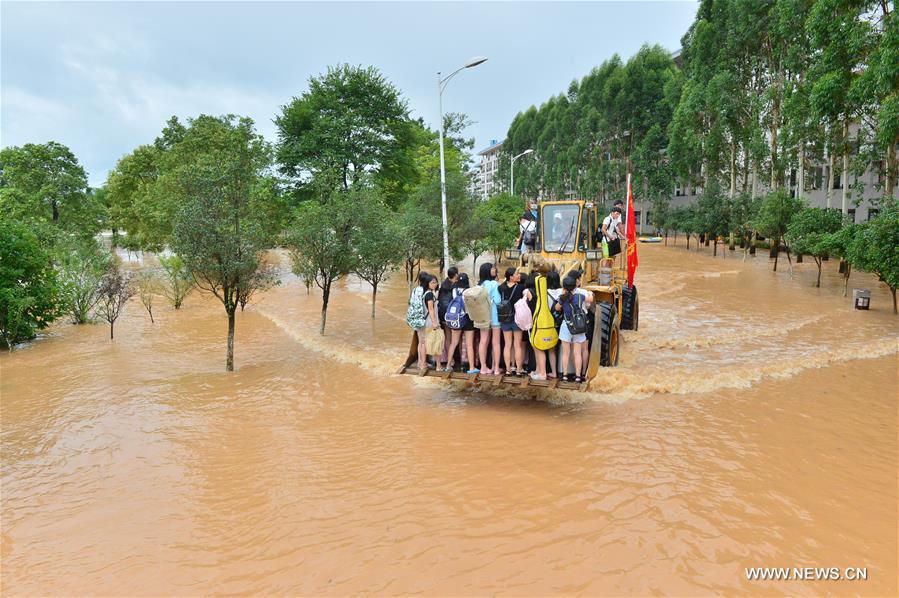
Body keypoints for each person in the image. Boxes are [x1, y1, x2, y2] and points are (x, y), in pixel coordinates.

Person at [554, 276, 589, 383]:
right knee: (577, 353)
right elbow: (590, 299)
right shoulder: (580, 296)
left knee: (565, 353)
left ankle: (564, 375)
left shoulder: (562, 298)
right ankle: (578, 376)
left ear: (564, 287)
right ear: (575, 286)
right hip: (578, 326)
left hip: (566, 326)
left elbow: (557, 308)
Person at [444, 273, 476, 372]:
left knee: (453, 343)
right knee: (469, 344)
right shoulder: (469, 291)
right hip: (468, 319)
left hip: (456, 318)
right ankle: (471, 368)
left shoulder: (454, 290)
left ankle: (448, 365)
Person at [475, 263, 502, 375]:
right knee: (496, 342)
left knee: (483, 341)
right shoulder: (494, 284)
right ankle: (496, 368)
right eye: (492, 268)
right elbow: (498, 301)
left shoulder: (479, 285)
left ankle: (483, 367)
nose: (494, 269)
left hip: (483, 316)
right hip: (495, 316)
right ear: (487, 271)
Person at [498, 266, 525, 375]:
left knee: (507, 345)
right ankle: (518, 369)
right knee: (517, 344)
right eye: (517, 274)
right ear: (511, 277)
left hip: (504, 318)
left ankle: (508, 369)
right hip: (517, 319)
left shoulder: (501, 288)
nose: (519, 275)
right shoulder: (520, 288)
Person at [412, 271, 432, 370]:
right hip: (423, 319)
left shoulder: (415, 290)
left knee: (420, 342)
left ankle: (420, 362)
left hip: (416, 318)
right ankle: (423, 364)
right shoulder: (425, 291)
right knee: (424, 342)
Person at [423, 274, 443, 371]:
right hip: (432, 322)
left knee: (431, 343)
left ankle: (425, 363)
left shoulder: (427, 293)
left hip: (428, 322)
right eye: (433, 282)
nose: (435, 284)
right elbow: (431, 310)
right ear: (428, 283)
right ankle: (438, 366)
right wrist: (435, 323)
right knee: (437, 343)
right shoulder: (429, 295)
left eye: (436, 282)